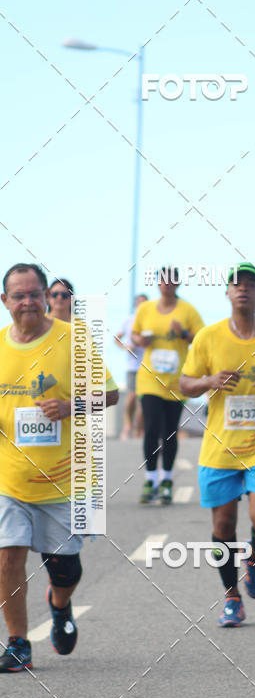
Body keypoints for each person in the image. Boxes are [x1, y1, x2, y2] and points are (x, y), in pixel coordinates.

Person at [0, 263, 119, 672]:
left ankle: (60, 604)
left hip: (64, 481)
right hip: (9, 480)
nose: (28, 301)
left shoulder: (74, 339)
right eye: (19, 295)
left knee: (64, 568)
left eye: (35, 293)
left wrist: (71, 406)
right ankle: (17, 643)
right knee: (6, 557)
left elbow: (112, 395)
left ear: (46, 298)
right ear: (5, 301)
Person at [180, 263, 255, 627]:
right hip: (220, 447)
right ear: (226, 292)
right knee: (223, 527)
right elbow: (184, 384)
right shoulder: (207, 337)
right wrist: (209, 380)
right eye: (236, 283)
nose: (243, 288)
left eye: (251, 283)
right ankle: (231, 597)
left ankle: (253, 556)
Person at [131, 268, 203, 504]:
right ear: (157, 283)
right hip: (150, 379)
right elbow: (133, 335)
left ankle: (167, 480)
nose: (167, 284)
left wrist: (183, 333)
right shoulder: (145, 309)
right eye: (163, 280)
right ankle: (151, 478)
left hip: (176, 381)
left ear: (178, 284)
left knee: (169, 431)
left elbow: (201, 339)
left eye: (172, 280)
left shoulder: (188, 310)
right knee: (151, 428)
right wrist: (140, 340)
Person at [115, 293, 148, 439]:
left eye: (144, 303)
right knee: (131, 397)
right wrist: (125, 347)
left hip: (148, 366)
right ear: (136, 305)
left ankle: (139, 430)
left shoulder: (151, 321)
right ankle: (128, 426)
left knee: (143, 400)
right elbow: (116, 338)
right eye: (139, 303)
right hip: (132, 366)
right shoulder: (129, 321)